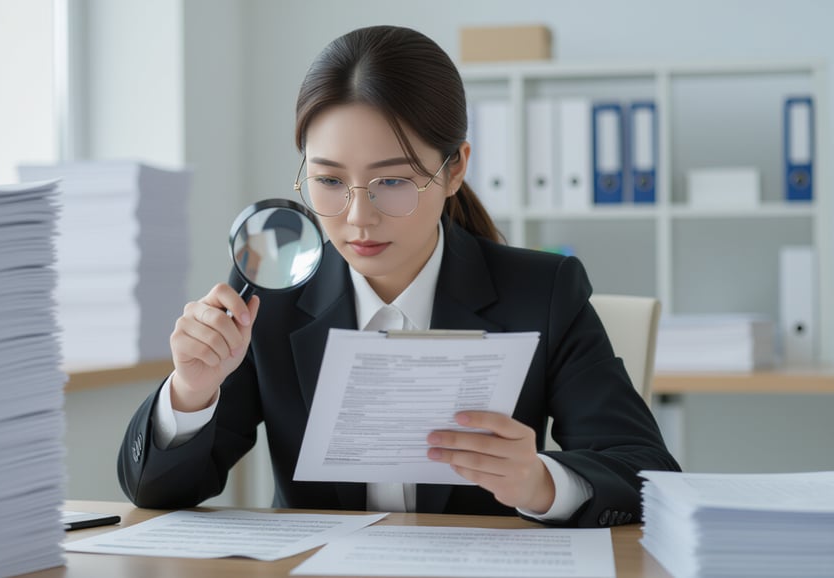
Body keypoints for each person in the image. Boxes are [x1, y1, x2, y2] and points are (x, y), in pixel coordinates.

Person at [118, 25, 679, 527]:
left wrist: (540, 482)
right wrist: (190, 392)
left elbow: (646, 473)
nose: (359, 217)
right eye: (329, 182)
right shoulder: (271, 291)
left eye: (392, 182)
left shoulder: (544, 293)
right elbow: (156, 492)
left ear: (455, 167)